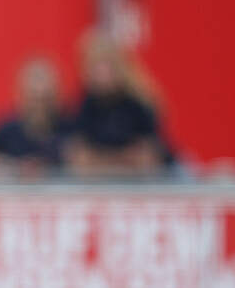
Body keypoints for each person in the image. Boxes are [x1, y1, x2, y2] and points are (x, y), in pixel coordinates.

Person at [64, 29, 171, 179]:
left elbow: (148, 157)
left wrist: (100, 161)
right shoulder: (83, 103)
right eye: (95, 65)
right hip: (98, 187)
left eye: (106, 64)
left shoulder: (139, 102)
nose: (102, 73)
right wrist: (121, 160)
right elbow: (79, 158)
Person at [0, 55, 75, 179]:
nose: (40, 106)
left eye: (45, 98)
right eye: (34, 99)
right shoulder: (6, 129)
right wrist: (11, 167)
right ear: (21, 96)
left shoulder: (71, 128)